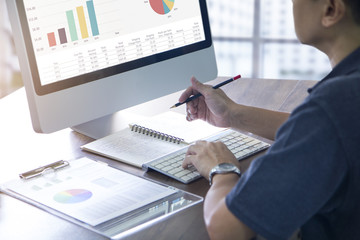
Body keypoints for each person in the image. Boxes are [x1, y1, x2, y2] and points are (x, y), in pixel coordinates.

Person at [179, 0, 360, 239]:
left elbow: (226, 228)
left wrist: (221, 170)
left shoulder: (333, 106)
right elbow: (328, 131)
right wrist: (231, 113)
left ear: (330, 10)